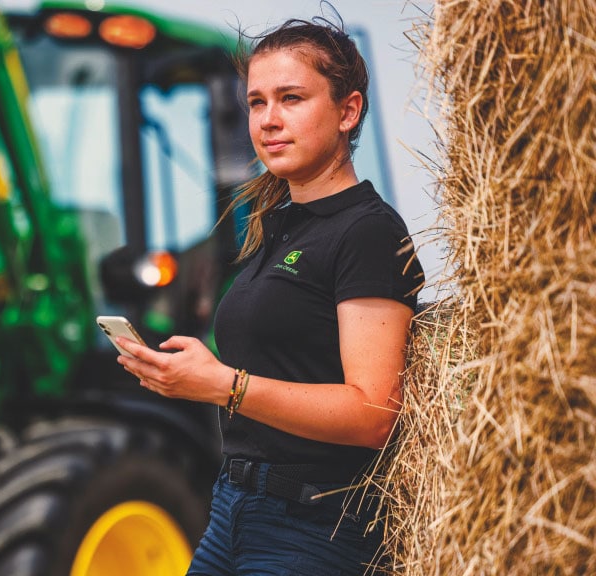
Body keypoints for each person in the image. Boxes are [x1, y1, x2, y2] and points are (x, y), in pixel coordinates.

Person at [114, 14, 425, 576]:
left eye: (291, 98)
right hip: (231, 511)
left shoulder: (368, 231)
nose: (269, 120)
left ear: (348, 111)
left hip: (312, 529)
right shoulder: (273, 228)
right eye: (256, 103)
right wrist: (189, 377)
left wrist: (224, 386)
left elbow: (373, 412)